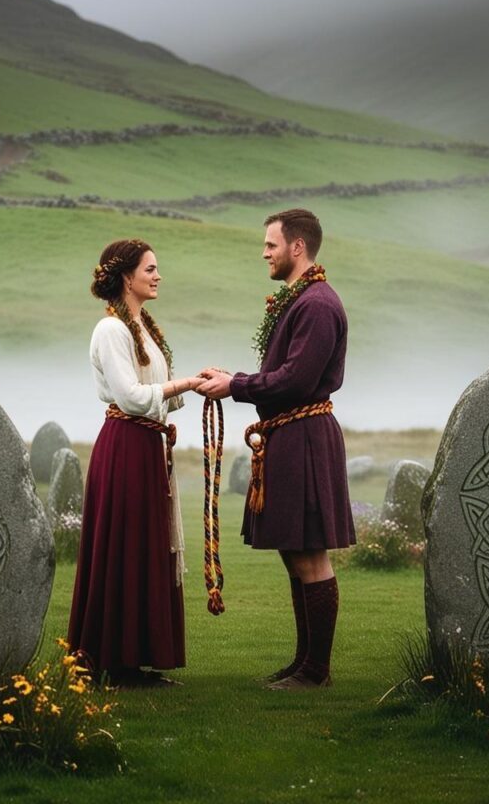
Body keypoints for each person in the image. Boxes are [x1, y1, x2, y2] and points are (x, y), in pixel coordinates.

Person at [197, 208, 354, 689]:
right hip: (290, 436)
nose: (264, 252)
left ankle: (317, 671)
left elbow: (298, 379)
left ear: (297, 247)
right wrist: (236, 381)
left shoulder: (318, 305)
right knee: (293, 550)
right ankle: (304, 661)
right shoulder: (301, 299)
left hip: (306, 437)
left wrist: (235, 385)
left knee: (310, 554)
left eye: (271, 244)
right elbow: (285, 374)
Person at [67, 238, 203, 687]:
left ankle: (139, 659)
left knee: (146, 546)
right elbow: (130, 398)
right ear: (127, 277)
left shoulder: (142, 326)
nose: (158, 275)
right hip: (125, 447)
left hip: (147, 448)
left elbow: (157, 398)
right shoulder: (111, 330)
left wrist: (195, 384)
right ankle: (116, 660)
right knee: (126, 546)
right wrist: (179, 383)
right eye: (150, 269)